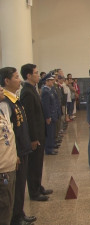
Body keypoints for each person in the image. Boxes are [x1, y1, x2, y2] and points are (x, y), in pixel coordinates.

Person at [0, 67, 36, 225]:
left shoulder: (14, 99)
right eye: (16, 77)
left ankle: (19, 213)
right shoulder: (6, 103)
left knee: (19, 186)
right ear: (6, 81)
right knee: (14, 189)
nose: (19, 80)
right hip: (14, 153)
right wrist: (15, 154)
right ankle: (16, 217)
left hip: (21, 147)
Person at [20, 64, 52, 201]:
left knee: (38, 162)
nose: (39, 75)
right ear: (28, 75)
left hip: (40, 132)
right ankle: (34, 192)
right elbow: (30, 117)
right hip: (35, 135)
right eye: (36, 73)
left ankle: (38, 186)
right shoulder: (26, 92)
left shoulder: (32, 89)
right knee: (33, 164)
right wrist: (33, 138)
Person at [0, 86, 18, 225]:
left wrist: (14, 156)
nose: (1, 89)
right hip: (2, 171)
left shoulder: (2, 111)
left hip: (9, 166)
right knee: (4, 207)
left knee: (8, 205)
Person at [41, 73, 59, 155]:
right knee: (49, 132)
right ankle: (49, 149)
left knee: (52, 132)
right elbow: (46, 106)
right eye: (51, 81)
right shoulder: (45, 91)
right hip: (50, 115)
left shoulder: (49, 90)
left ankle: (51, 146)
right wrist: (48, 117)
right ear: (47, 81)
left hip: (53, 114)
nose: (53, 82)